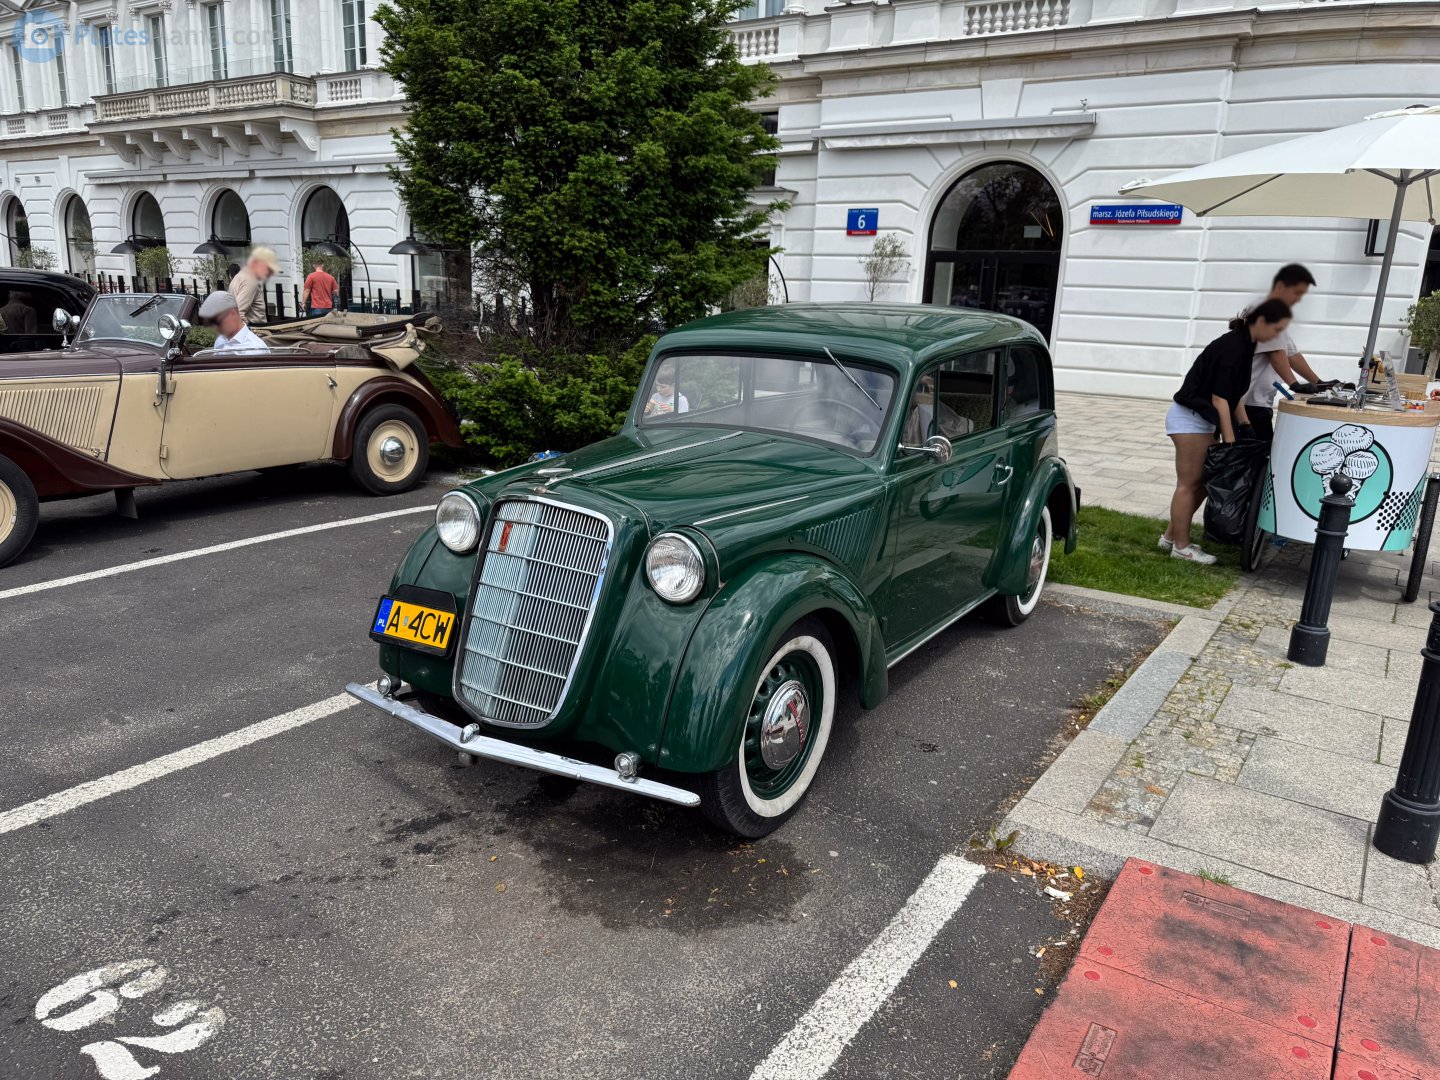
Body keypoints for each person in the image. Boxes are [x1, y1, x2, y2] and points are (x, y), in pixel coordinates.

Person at [1162, 299, 1292, 564]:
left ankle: (1170, 538)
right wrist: (1231, 443)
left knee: (1203, 483)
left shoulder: (1244, 346)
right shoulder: (1234, 348)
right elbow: (1220, 400)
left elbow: (1236, 398)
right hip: (1190, 418)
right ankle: (1181, 547)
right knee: (1189, 484)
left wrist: (1245, 427)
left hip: (1199, 419)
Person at [1242, 264, 1323, 440]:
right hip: (1247, 402)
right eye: (1296, 292)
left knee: (1258, 456)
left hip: (1259, 402)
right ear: (1280, 286)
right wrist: (1294, 384)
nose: (1298, 299)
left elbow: (1291, 354)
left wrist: (1320, 383)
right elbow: (1275, 353)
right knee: (1253, 459)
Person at [199, 291, 268, 354]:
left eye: (218, 322)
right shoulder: (220, 340)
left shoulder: (256, 349)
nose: (215, 327)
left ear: (233, 313)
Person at [227, 245, 280, 327]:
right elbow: (239, 311)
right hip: (255, 328)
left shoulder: (239, 277)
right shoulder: (250, 280)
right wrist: (248, 332)